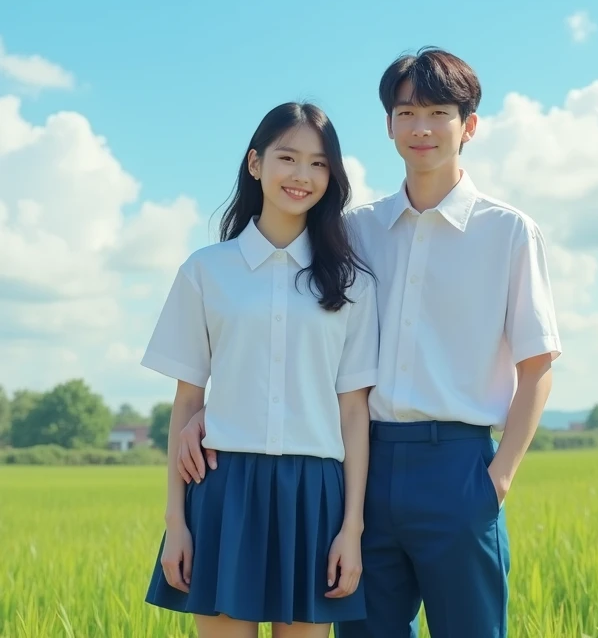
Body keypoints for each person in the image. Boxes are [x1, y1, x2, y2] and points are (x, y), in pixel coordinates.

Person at [178, 49, 562, 638]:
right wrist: (202, 414)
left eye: (439, 111)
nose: (422, 127)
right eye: (406, 112)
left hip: (457, 466)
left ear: (471, 125)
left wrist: (498, 478)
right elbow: (281, 320)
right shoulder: (354, 232)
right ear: (388, 125)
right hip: (361, 466)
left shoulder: (508, 232)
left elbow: (537, 367)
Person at [141, 102, 378, 638]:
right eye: (287, 157)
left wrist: (351, 530)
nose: (301, 175)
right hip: (225, 492)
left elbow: (353, 411)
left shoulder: (352, 284)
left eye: (318, 164)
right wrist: (176, 523)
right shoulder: (206, 270)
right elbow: (187, 404)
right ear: (255, 164)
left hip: (314, 494)